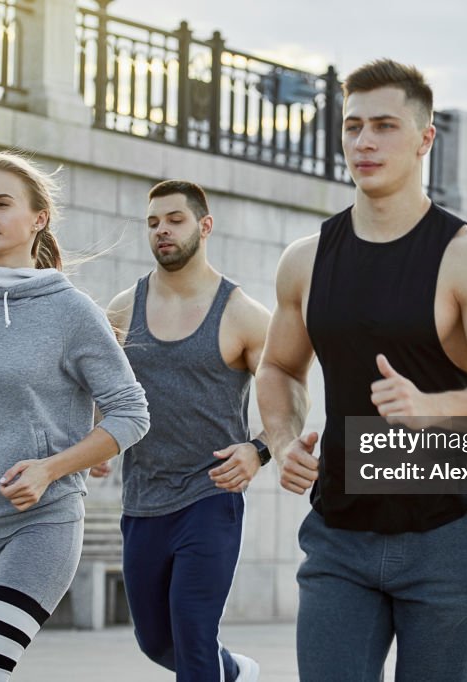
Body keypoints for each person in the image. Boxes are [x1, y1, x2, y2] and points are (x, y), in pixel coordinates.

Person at [256, 59, 467, 681]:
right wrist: (282, 443)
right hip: (338, 533)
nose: (363, 142)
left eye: (384, 125)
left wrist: (435, 407)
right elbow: (278, 366)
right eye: (352, 126)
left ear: (424, 138)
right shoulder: (305, 261)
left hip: (444, 536)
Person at [0, 152, 149, 682]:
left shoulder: (71, 311)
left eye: (0, 204)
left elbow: (131, 412)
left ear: (38, 218)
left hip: (42, 525)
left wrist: (52, 468)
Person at [91, 180, 271, 682]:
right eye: (153, 223)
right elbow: (102, 391)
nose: (162, 231)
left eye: (174, 219)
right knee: (155, 640)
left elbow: (289, 398)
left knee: (193, 634)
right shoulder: (123, 309)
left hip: (209, 496)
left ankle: (214, 668)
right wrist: (98, 438)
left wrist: (258, 450)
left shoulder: (243, 314)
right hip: (144, 499)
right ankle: (231, 671)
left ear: (204, 226)